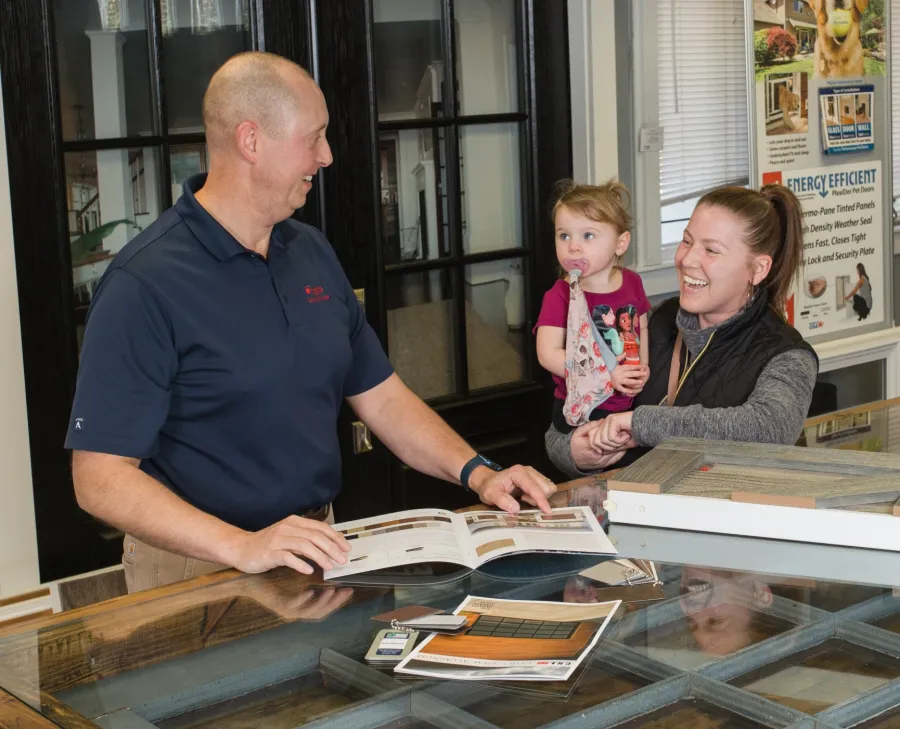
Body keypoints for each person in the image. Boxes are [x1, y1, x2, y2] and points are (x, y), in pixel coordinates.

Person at [65, 52, 555, 594]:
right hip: (199, 565)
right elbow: (99, 480)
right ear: (251, 141)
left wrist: (480, 473)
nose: (327, 156)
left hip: (316, 544)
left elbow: (383, 399)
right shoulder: (144, 283)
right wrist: (242, 547)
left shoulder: (311, 250)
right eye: (314, 137)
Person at [546, 184, 819, 477]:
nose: (687, 260)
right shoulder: (655, 319)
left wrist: (640, 424)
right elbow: (559, 431)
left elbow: (769, 429)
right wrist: (575, 453)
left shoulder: (788, 356)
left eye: (711, 250)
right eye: (687, 242)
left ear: (759, 268)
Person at [535, 180, 651, 440]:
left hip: (627, 404)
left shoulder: (632, 282)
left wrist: (643, 366)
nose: (573, 246)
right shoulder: (560, 296)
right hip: (585, 410)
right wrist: (605, 374)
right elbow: (547, 354)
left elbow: (640, 326)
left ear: (620, 244)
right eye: (564, 235)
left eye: (588, 235)